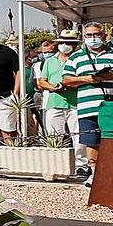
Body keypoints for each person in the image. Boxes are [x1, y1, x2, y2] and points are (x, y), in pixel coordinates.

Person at [62, 22, 113, 188]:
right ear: (84, 37)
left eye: (96, 34)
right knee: (91, 140)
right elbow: (66, 79)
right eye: (89, 35)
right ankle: (94, 172)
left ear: (104, 36)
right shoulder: (76, 57)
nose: (93, 38)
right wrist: (87, 79)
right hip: (88, 106)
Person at [35, 30, 87, 176]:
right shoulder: (50, 61)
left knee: (78, 136)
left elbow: (85, 79)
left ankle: (81, 165)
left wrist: (71, 85)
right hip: (54, 102)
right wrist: (53, 87)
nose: (65, 45)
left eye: (69, 43)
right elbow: (42, 81)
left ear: (75, 45)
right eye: (63, 42)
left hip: (76, 103)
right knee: (53, 136)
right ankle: (55, 164)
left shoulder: (80, 59)